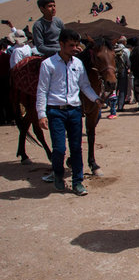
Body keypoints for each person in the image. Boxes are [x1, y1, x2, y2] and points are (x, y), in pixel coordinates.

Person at [36, 29, 103, 195]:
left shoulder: (78, 64)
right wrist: (41, 114)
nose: (75, 48)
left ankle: (77, 182)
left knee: (76, 148)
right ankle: (58, 174)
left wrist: (96, 99)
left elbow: (85, 85)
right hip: (55, 111)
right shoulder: (48, 64)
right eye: (71, 45)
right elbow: (42, 90)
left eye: (76, 45)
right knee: (59, 148)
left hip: (74, 111)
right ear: (61, 44)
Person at [114, 36, 131, 112]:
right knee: (122, 89)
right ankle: (120, 106)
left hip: (114, 71)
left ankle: (112, 105)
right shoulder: (126, 50)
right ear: (124, 42)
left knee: (114, 88)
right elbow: (129, 62)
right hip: (123, 70)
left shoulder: (113, 49)